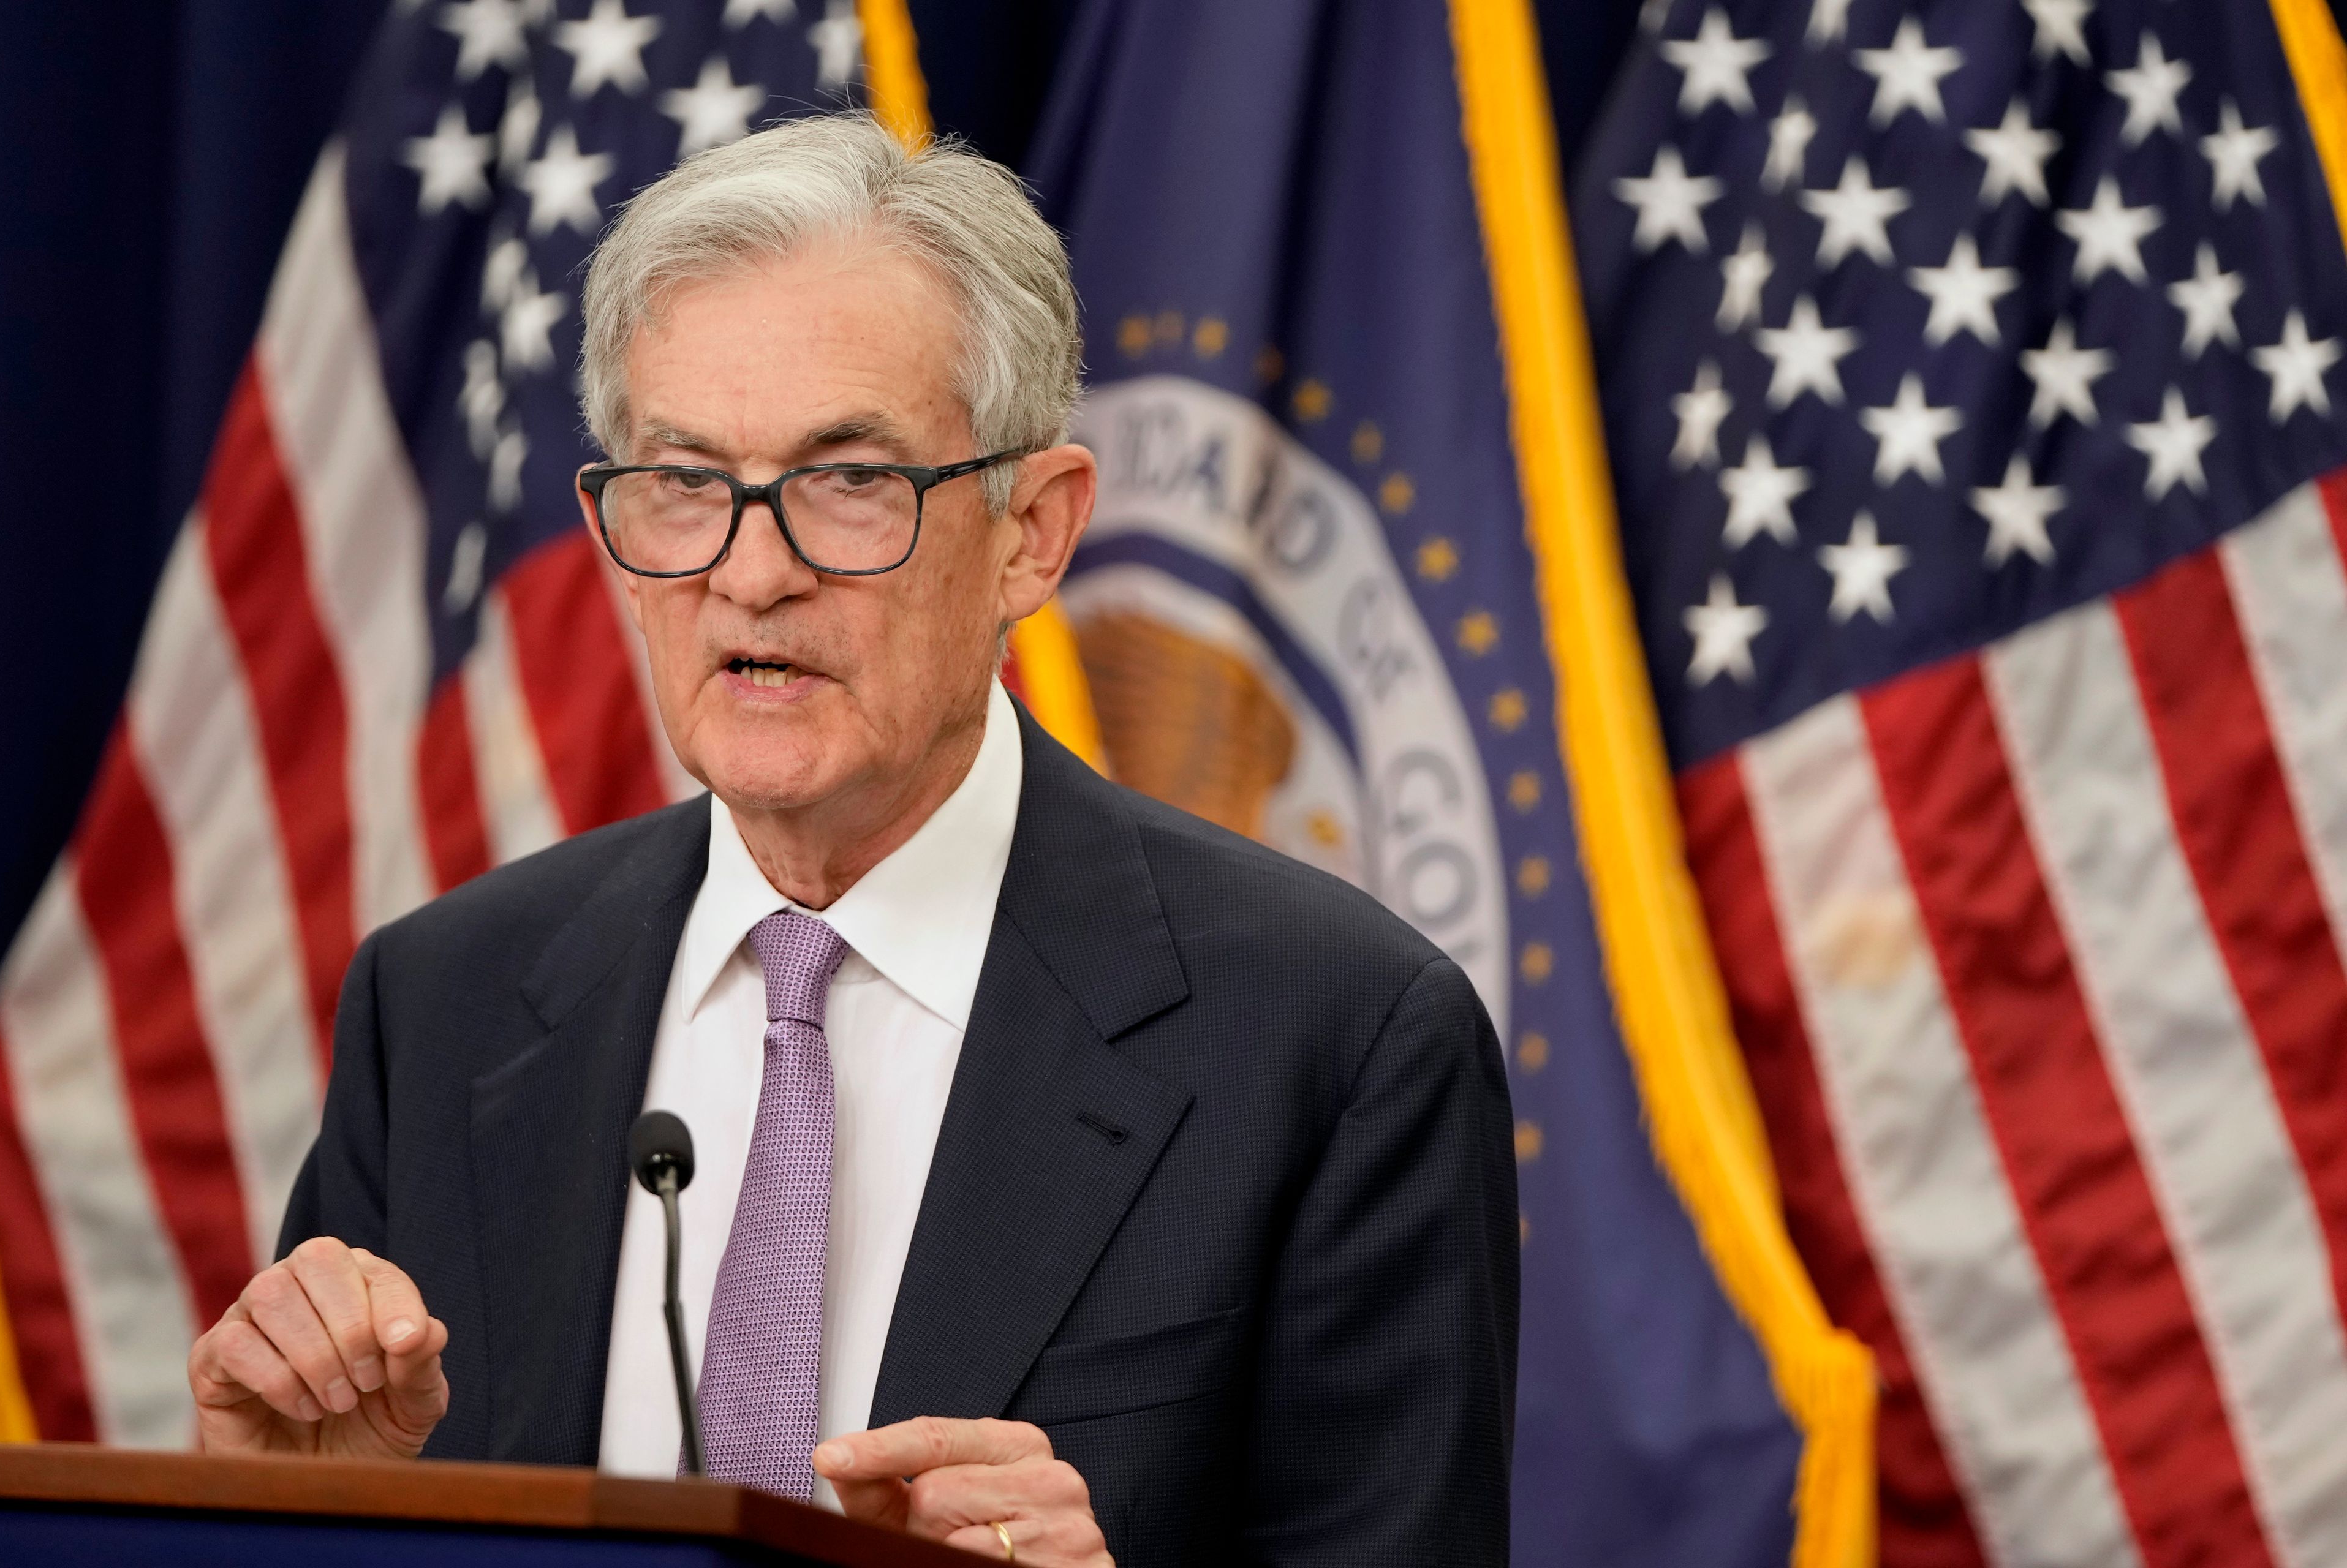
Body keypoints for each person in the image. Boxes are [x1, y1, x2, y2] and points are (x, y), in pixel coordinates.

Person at [186, 115, 1517, 1567]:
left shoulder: (1338, 1040)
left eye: (851, 479)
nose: (752, 574)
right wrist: (287, 1514)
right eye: (685, 481)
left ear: (1034, 532)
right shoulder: (443, 1003)